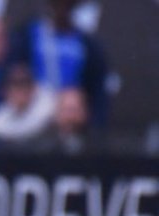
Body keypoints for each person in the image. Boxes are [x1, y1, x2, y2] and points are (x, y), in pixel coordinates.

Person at [6, 0, 109, 129]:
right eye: (56, 3)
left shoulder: (87, 44)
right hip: (35, 110)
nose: (61, 8)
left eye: (66, 4)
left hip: (70, 112)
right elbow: (14, 72)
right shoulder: (28, 35)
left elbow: (97, 89)